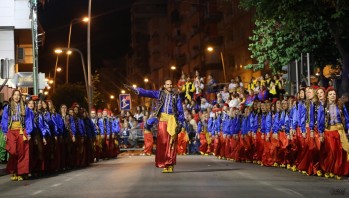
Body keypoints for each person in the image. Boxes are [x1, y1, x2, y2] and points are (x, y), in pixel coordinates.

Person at [125, 79, 184, 173]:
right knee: (163, 142)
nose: (169, 86)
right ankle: (164, 163)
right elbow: (148, 92)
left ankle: (169, 164)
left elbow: (180, 110)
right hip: (162, 121)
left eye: (170, 84)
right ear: (164, 85)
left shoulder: (176, 96)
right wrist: (136, 90)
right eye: (167, 84)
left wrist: (180, 122)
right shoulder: (160, 93)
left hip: (173, 121)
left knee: (171, 143)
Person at [1, 89, 33, 181]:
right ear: (12, 96)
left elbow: (28, 121)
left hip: (21, 131)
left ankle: (20, 173)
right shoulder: (8, 107)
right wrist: (4, 132)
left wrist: (29, 133)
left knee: (22, 152)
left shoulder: (25, 107)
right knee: (13, 151)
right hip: (11, 131)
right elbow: (4, 120)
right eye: (15, 95)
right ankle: (14, 170)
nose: (17, 97)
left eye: (18, 95)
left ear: (20, 96)